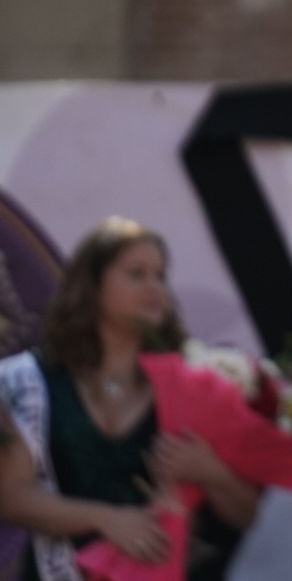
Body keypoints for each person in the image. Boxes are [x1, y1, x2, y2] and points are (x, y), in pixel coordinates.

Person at [0, 217, 261, 581]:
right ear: (91, 287)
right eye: (137, 274)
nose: (155, 287)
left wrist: (211, 473)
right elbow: (11, 498)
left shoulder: (194, 382)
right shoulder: (30, 380)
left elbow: (246, 514)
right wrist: (106, 519)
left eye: (160, 275)